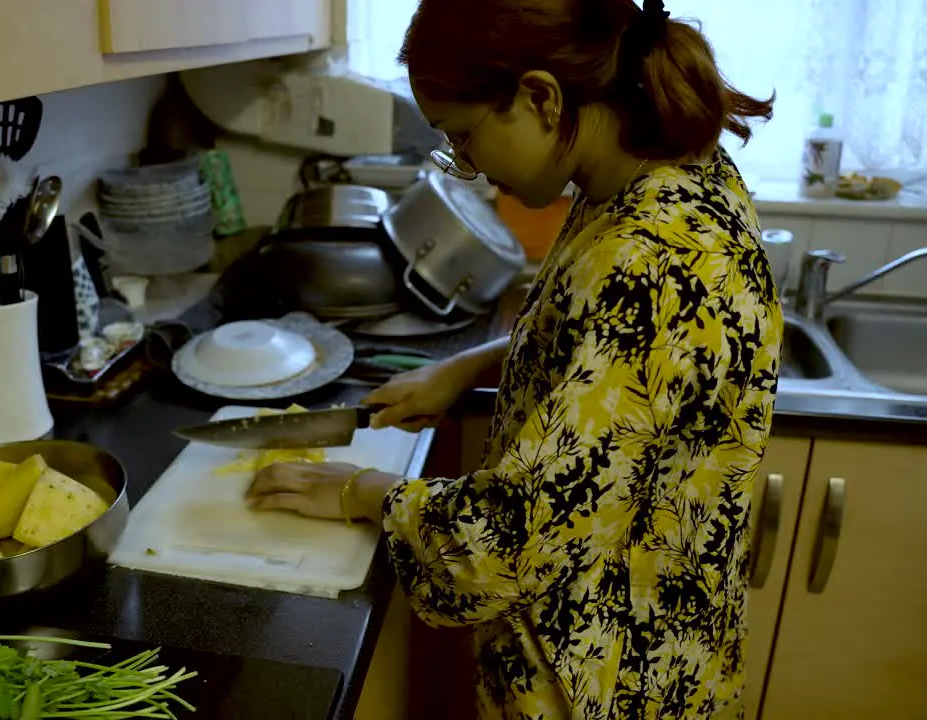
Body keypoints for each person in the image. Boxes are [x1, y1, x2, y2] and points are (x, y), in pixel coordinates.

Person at [245, 0, 782, 717]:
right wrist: (469, 365)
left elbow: (511, 541)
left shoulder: (651, 261)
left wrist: (362, 492)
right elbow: (610, 361)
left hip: (606, 678)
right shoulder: (659, 174)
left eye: (463, 136)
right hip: (654, 644)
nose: (466, 164)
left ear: (539, 95)